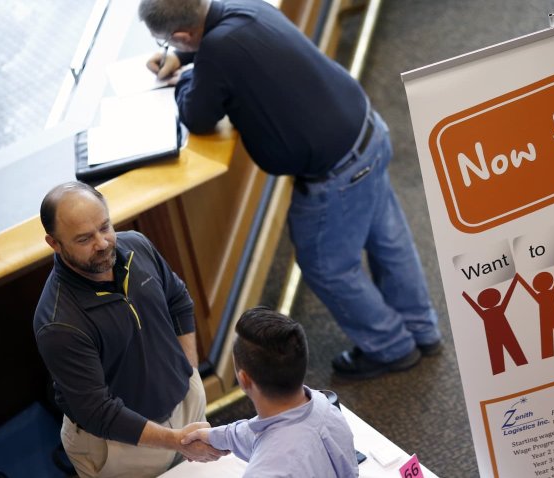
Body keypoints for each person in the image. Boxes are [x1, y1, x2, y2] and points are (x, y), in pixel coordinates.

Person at [138, 0, 442, 379]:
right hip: (368, 134)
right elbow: (232, 54)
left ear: (183, 35)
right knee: (388, 241)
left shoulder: (217, 50)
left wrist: (184, 75)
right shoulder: (244, 6)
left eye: (167, 43)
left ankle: (391, 346)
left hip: (337, 175)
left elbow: (198, 116)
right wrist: (185, 59)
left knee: (327, 267)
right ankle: (422, 329)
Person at [33, 181, 227, 478]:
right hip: (120, 446)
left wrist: (188, 373)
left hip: (183, 404)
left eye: (105, 226)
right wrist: (175, 441)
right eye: (84, 239)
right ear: (54, 244)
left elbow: (179, 301)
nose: (102, 243)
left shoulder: (136, 244)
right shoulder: (58, 322)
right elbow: (99, 413)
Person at [181, 306, 359, 477]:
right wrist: (216, 437)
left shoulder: (265, 473)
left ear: (244, 379)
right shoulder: (324, 404)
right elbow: (258, 432)